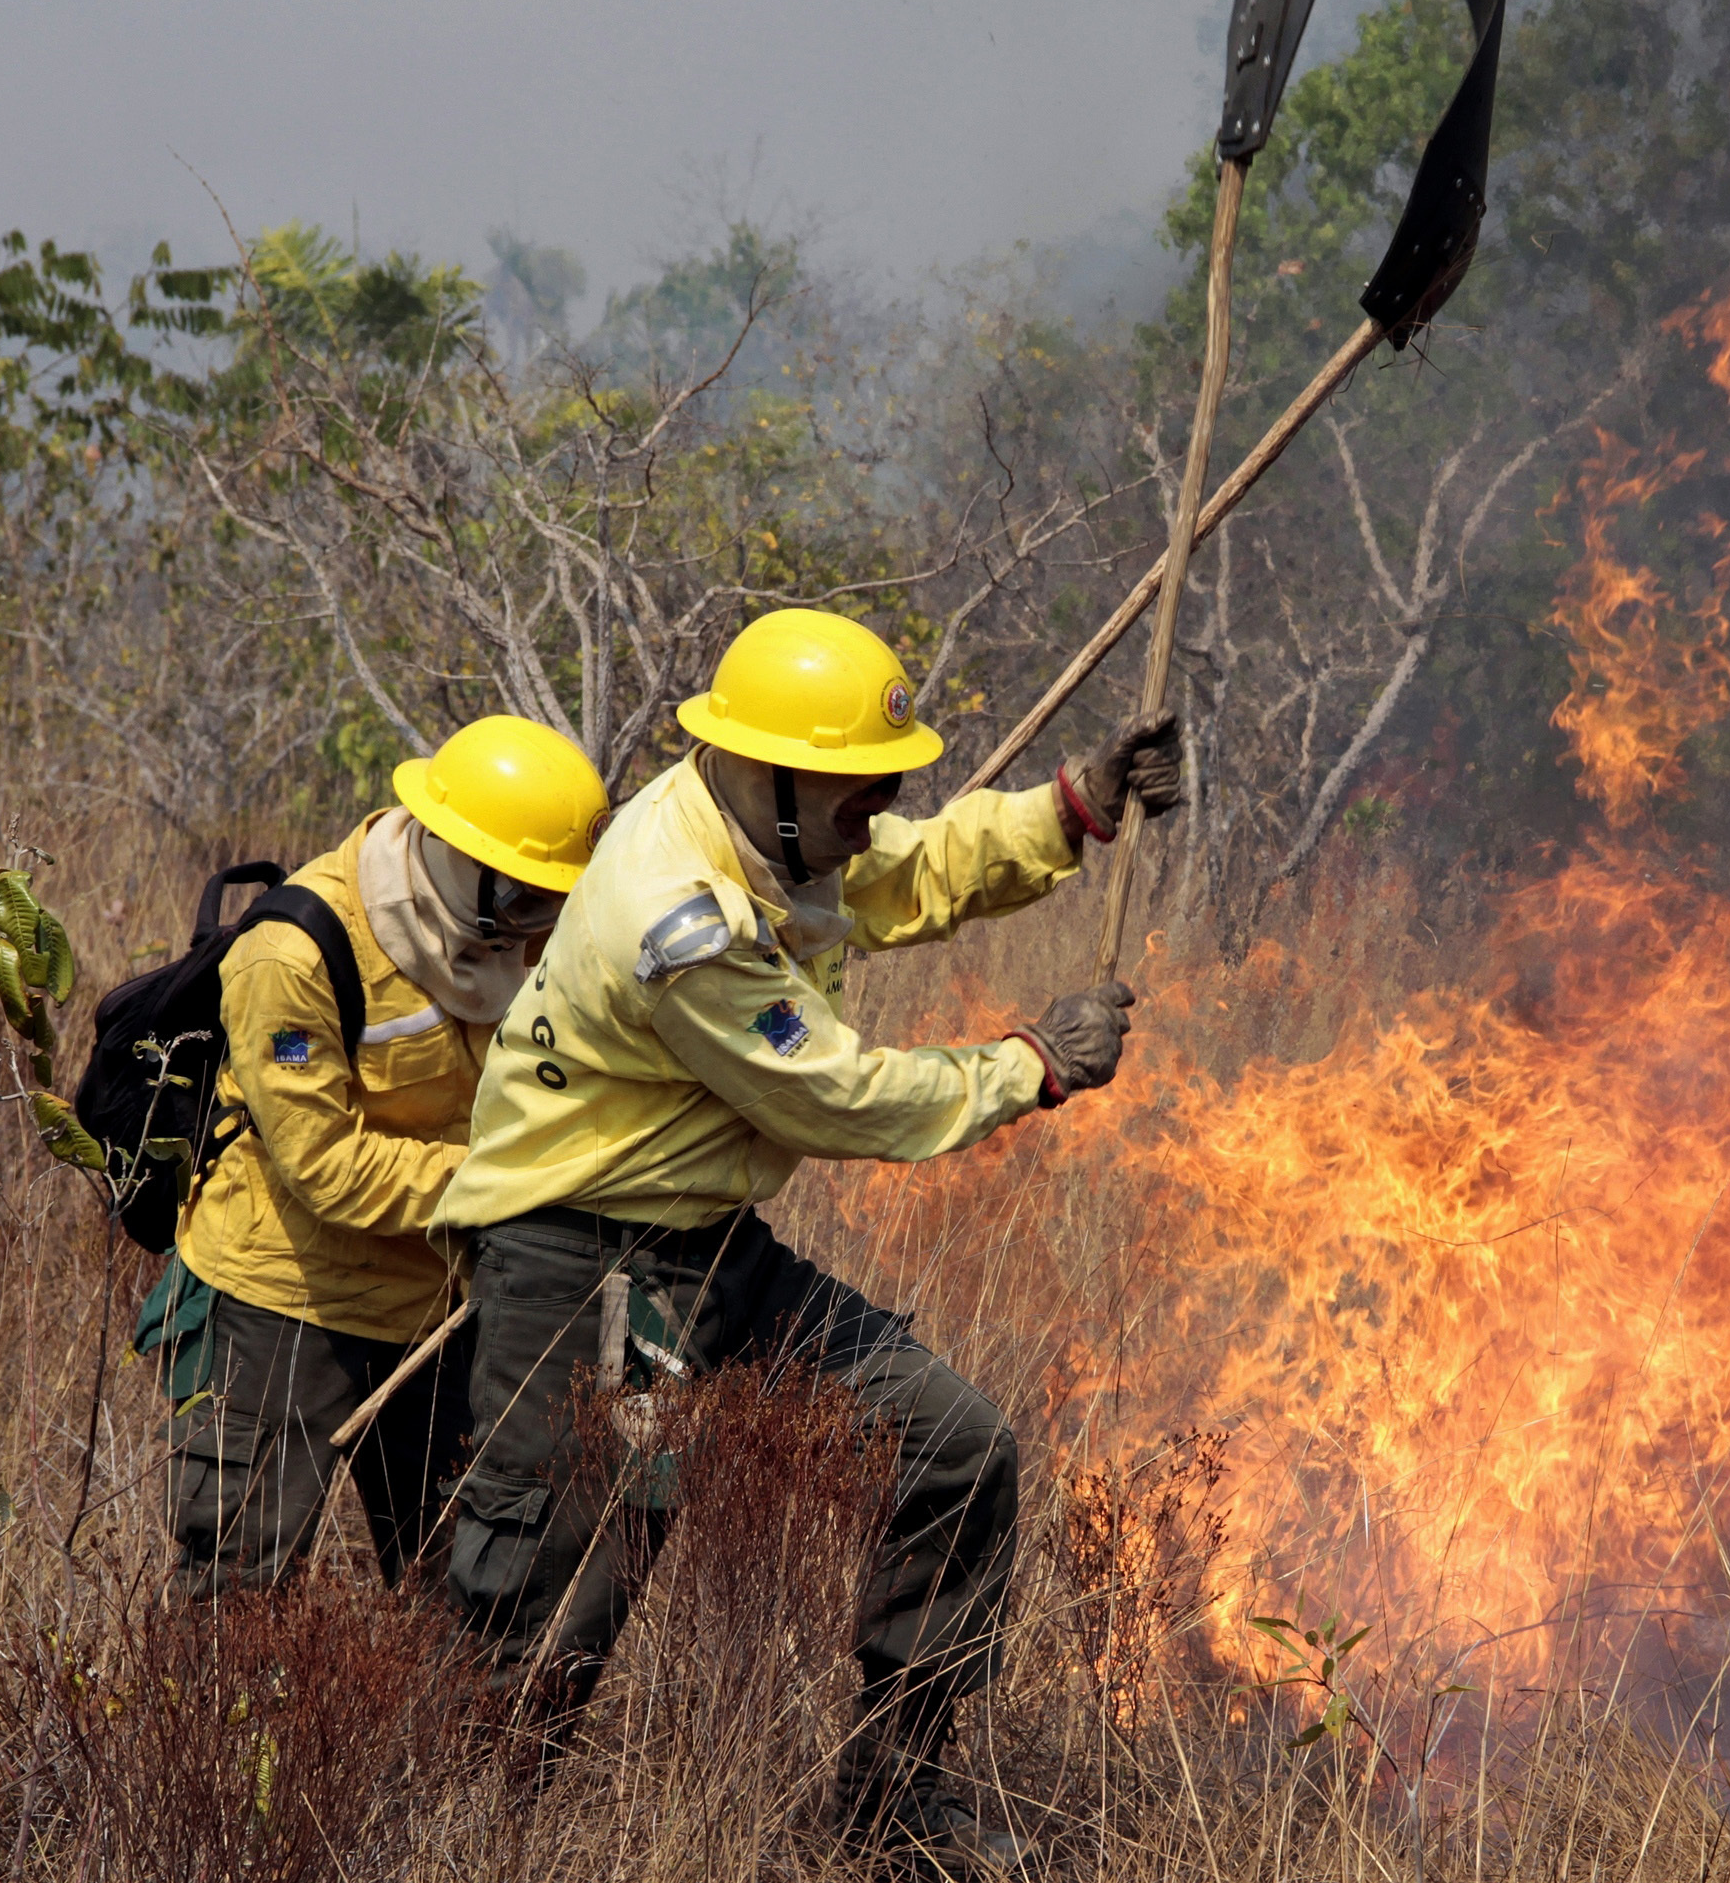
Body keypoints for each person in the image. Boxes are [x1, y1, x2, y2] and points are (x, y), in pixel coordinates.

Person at [429, 607, 1174, 1874]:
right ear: (771, 777)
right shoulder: (680, 914)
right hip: (590, 1270)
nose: (871, 816)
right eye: (853, 797)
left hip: (711, 1250)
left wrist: (1069, 812)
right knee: (570, 1592)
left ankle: (892, 1808)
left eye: (883, 791)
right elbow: (831, 1094)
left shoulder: (757, 821)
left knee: (958, 1447)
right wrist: (1031, 1065)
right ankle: (461, 1837)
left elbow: (893, 876)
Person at [153, 714, 609, 1597]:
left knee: (466, 1580)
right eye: (524, 898)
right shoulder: (292, 954)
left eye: (559, 900)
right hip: (285, 1302)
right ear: (454, 855)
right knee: (237, 1587)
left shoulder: (519, 934)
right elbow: (323, 1163)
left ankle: (428, 1740)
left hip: (440, 1298)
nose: (540, 925)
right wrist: (508, 1183)